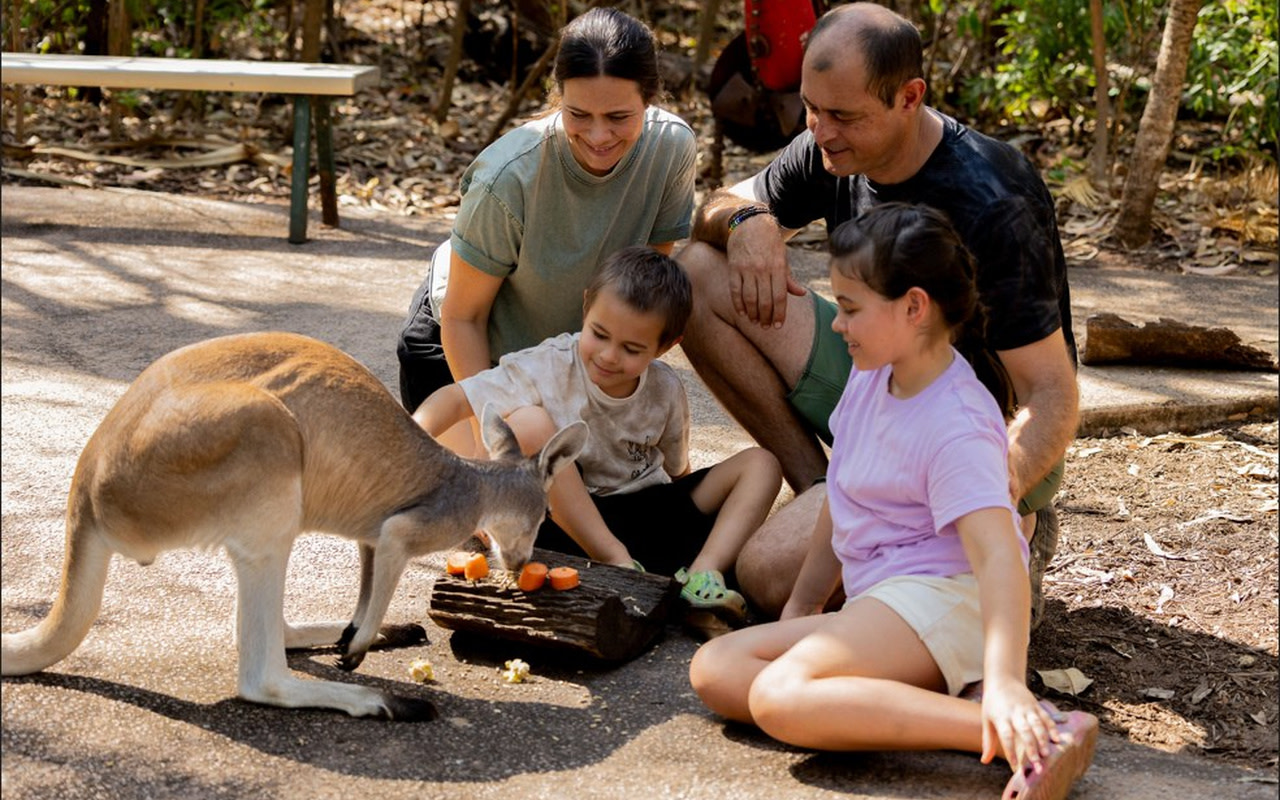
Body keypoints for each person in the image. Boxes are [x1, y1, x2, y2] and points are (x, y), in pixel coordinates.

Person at [677, 2, 1078, 622]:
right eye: (811, 107)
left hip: (970, 429)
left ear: (908, 97)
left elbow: (1050, 391)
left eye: (842, 115)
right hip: (875, 385)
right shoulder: (826, 146)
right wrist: (746, 219)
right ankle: (821, 486)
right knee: (698, 274)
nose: (820, 130)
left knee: (763, 574)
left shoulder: (995, 200)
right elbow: (717, 208)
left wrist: (989, 490)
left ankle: (1012, 533)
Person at [688, 203, 1098, 800]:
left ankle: (1027, 727)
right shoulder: (874, 371)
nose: (835, 325)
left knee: (779, 696)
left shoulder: (956, 423)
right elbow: (843, 497)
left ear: (914, 307)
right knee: (718, 671)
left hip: (944, 603)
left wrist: (1007, 678)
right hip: (887, 600)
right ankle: (940, 705)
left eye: (850, 309)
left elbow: (999, 559)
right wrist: (802, 607)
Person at [415, 247, 783, 632]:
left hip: (647, 514)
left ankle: (702, 577)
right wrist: (408, 446)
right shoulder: (548, 364)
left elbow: (678, 473)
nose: (608, 356)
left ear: (666, 346)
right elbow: (456, 399)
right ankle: (616, 562)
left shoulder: (665, 388)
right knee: (528, 425)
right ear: (587, 306)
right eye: (600, 334)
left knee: (762, 463)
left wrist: (699, 517)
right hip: (569, 525)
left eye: (631, 349)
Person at [397, 6, 697, 456]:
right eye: (578, 114)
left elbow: (644, 292)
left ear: (649, 99)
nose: (598, 136)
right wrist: (490, 442)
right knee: (502, 509)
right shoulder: (507, 177)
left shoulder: (672, 148)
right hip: (465, 357)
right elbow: (463, 319)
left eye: (618, 117)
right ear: (558, 96)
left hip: (571, 363)